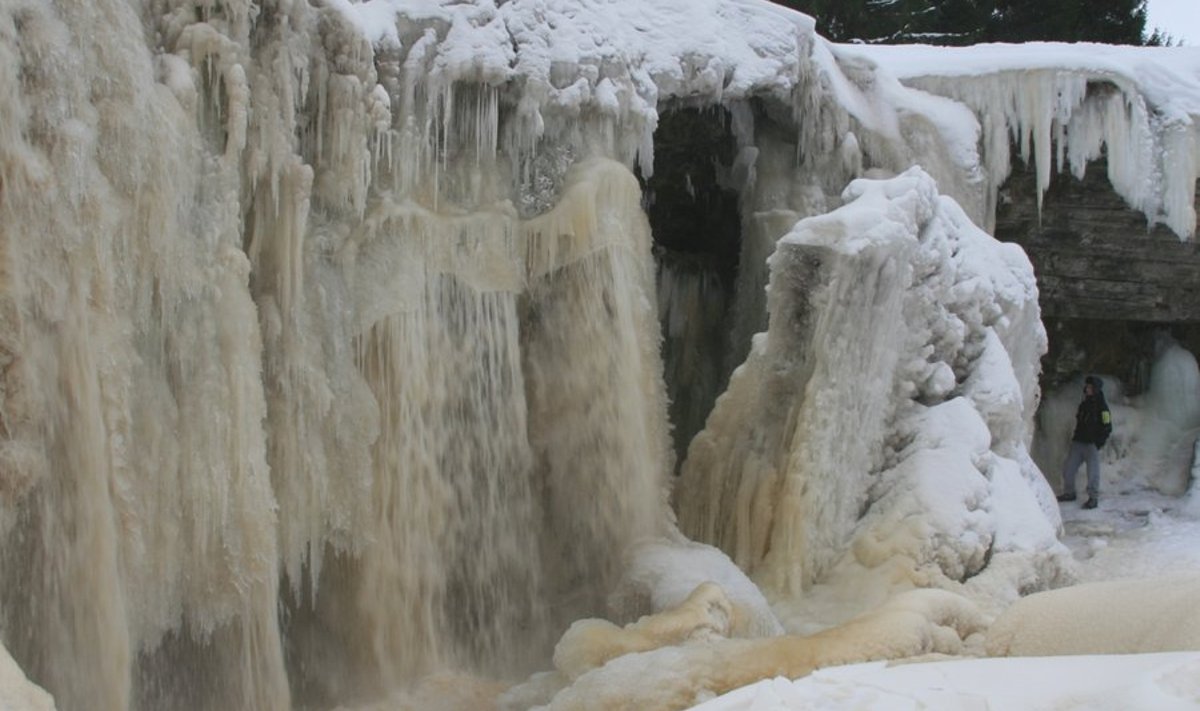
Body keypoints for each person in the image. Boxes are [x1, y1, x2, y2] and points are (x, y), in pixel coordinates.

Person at [1057, 375, 1112, 510]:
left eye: (1089, 387)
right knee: (1068, 468)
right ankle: (1069, 492)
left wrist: (1098, 443)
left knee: (1093, 472)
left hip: (1091, 445)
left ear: (1095, 389)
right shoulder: (1084, 404)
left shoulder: (1103, 408)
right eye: (1086, 386)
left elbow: (1107, 426)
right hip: (1078, 442)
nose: (1087, 389)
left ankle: (1093, 498)